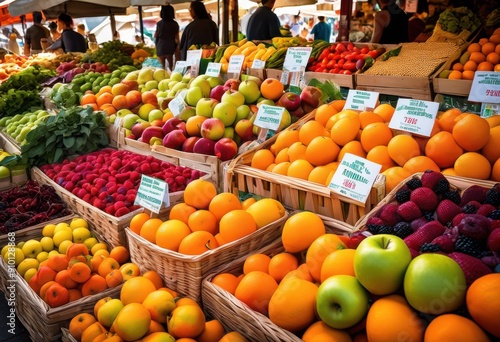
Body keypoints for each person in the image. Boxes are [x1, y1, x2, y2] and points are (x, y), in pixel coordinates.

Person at [154, 5, 180, 70]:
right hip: (170, 46)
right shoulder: (175, 24)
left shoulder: (159, 24)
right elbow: (177, 39)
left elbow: (155, 35)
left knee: (162, 68)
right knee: (170, 67)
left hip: (160, 45)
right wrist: (178, 47)